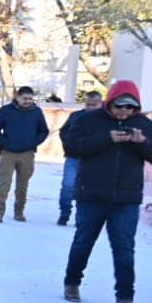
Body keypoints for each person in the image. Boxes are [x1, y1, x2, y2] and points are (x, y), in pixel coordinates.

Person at [61, 80, 152, 303]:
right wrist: (107, 138)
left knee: (124, 248)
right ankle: (72, 282)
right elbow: (73, 147)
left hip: (126, 198)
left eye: (130, 108)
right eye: (119, 106)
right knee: (84, 240)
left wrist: (142, 143)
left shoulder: (144, 125)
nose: (124, 112)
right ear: (109, 103)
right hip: (91, 193)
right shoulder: (89, 120)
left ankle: (125, 298)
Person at [0, 84, 49, 222]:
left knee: (22, 186)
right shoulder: (6, 110)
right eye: (25, 98)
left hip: (27, 154)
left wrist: (34, 142)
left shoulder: (37, 112)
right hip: (8, 153)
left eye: (30, 99)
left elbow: (44, 131)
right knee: (4, 184)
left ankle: (19, 212)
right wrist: (3, 142)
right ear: (17, 97)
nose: (27, 101)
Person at [56, 91, 103, 226]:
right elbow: (64, 132)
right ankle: (64, 213)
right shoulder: (76, 116)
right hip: (73, 157)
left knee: (87, 190)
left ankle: (81, 217)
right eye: (88, 104)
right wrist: (69, 146)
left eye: (94, 105)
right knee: (68, 186)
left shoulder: (105, 120)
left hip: (94, 159)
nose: (91, 108)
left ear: (100, 104)